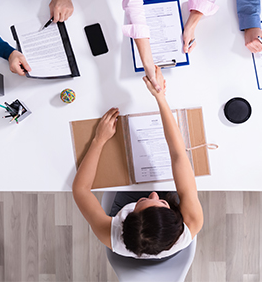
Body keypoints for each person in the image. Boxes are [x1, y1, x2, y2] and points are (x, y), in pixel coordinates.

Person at [72, 66, 204, 260]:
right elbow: (178, 154)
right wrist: (160, 97)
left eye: (142, 201)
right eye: (161, 202)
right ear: (176, 218)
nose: (154, 193)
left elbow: (80, 190)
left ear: (124, 221)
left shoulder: (110, 234)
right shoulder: (192, 223)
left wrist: (98, 140)